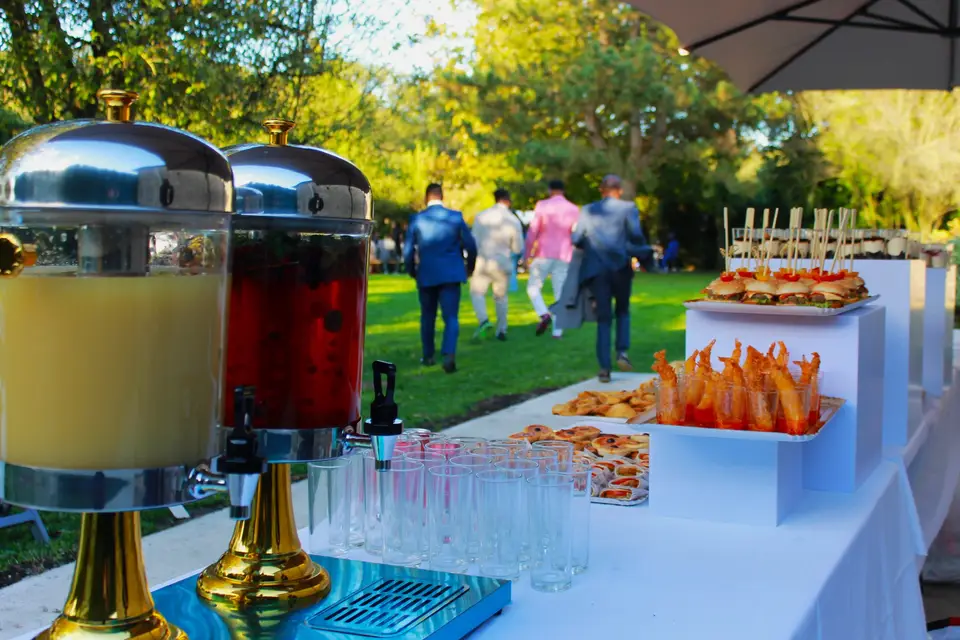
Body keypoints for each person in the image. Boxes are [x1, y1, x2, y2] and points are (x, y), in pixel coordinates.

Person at [572, 174, 647, 383]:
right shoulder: (628, 208)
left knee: (603, 319)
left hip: (597, 270)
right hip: (621, 268)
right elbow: (636, 236)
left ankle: (604, 368)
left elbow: (577, 238)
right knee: (622, 311)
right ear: (619, 190)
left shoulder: (587, 210)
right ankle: (622, 352)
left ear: (601, 190)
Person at [404, 183, 477, 373]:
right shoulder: (455, 217)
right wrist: (469, 268)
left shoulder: (417, 219)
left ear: (426, 198)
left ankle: (428, 355)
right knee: (451, 316)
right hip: (451, 273)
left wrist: (412, 270)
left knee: (428, 316)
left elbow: (408, 251)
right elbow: (471, 245)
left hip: (427, 273)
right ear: (441, 196)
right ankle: (449, 353)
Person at [525, 179, 580, 338]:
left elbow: (533, 232)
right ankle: (557, 331)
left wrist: (527, 254)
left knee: (533, 287)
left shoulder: (542, 206)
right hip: (564, 255)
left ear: (550, 190)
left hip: (543, 253)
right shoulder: (573, 209)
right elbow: (576, 235)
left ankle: (543, 313)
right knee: (560, 293)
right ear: (563, 191)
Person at [469, 188, 523, 341]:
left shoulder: (481, 216)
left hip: (484, 260)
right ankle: (502, 330)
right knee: (501, 297)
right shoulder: (513, 220)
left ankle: (483, 319)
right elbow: (517, 248)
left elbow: (474, 241)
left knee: (477, 292)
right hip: (503, 261)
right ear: (508, 200)